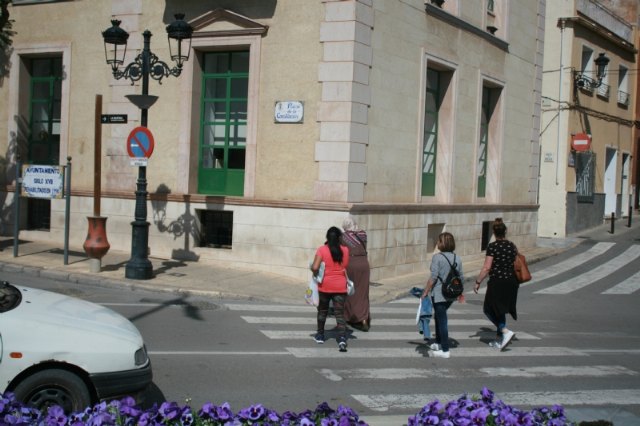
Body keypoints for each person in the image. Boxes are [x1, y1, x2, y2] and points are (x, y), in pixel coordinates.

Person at [474, 218, 518, 351]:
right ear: (505, 231)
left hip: (497, 282)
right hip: (511, 281)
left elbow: (487, 267)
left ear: (494, 232)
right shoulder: (512, 245)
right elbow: (515, 263)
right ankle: (500, 339)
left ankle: (504, 331)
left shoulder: (493, 247)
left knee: (488, 309)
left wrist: (478, 282)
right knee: (501, 309)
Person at [420, 232, 463, 359]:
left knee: (442, 320)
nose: (437, 243)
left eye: (439, 241)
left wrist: (425, 292)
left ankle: (445, 350)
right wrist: (460, 293)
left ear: (443, 243)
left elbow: (433, 277)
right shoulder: (457, 258)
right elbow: (460, 277)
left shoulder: (437, 258)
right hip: (451, 293)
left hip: (439, 293)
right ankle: (438, 343)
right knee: (439, 318)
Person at [310, 226, 350, 352]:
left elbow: (315, 267)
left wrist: (312, 268)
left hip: (325, 286)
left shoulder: (322, 250)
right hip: (340, 286)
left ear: (327, 238)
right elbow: (345, 265)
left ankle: (321, 335)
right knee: (339, 313)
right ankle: (342, 338)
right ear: (339, 238)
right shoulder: (345, 250)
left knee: (322, 311)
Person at [340, 216, 371, 331]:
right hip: (364, 264)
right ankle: (363, 320)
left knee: (349, 290)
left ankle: (349, 316)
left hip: (351, 264)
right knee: (363, 292)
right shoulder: (363, 234)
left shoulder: (343, 237)